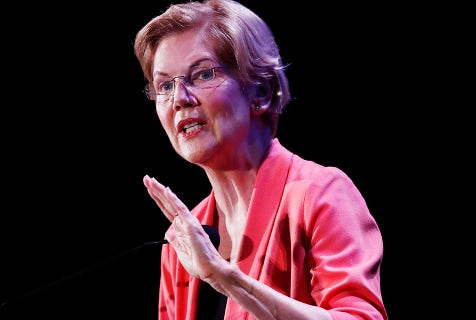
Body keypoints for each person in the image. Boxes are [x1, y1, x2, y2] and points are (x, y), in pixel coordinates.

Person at [134, 0, 388, 319]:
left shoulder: (320, 195)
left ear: (261, 91)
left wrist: (225, 278)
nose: (179, 99)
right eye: (165, 85)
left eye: (203, 73)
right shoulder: (185, 235)